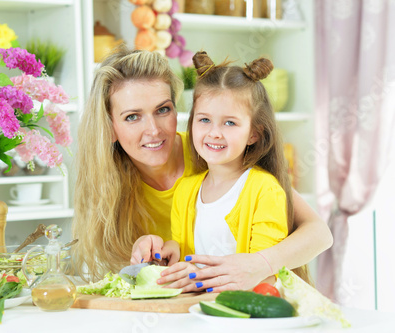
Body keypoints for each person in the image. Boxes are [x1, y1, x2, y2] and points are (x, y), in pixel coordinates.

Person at [72, 46, 333, 286]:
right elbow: (179, 263)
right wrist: (153, 257)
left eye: (163, 110)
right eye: (132, 116)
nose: (153, 130)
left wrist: (258, 265)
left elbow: (319, 233)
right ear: (109, 128)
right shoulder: (110, 184)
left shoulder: (216, 156)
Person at [142, 52, 309, 292]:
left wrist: (198, 277)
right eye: (204, 120)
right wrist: (167, 254)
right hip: (200, 311)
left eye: (229, 122)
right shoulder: (185, 191)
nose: (214, 133)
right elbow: (186, 256)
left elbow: (263, 276)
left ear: (254, 133)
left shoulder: (264, 190)